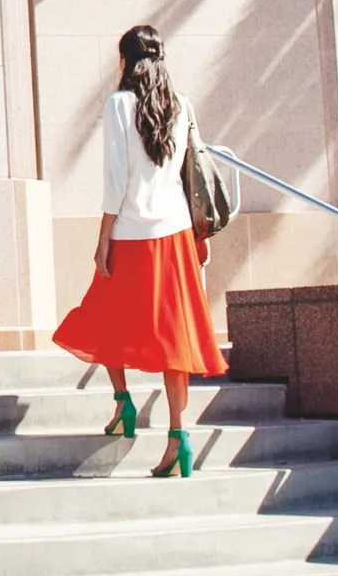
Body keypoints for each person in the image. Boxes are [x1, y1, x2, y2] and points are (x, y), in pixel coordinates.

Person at [49, 24, 231, 476]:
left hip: (132, 235)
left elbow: (116, 180)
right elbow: (193, 176)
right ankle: (178, 439)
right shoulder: (181, 104)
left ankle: (123, 403)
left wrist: (102, 239)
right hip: (175, 236)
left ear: (126, 61)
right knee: (175, 337)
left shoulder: (117, 105)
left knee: (106, 319)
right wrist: (199, 236)